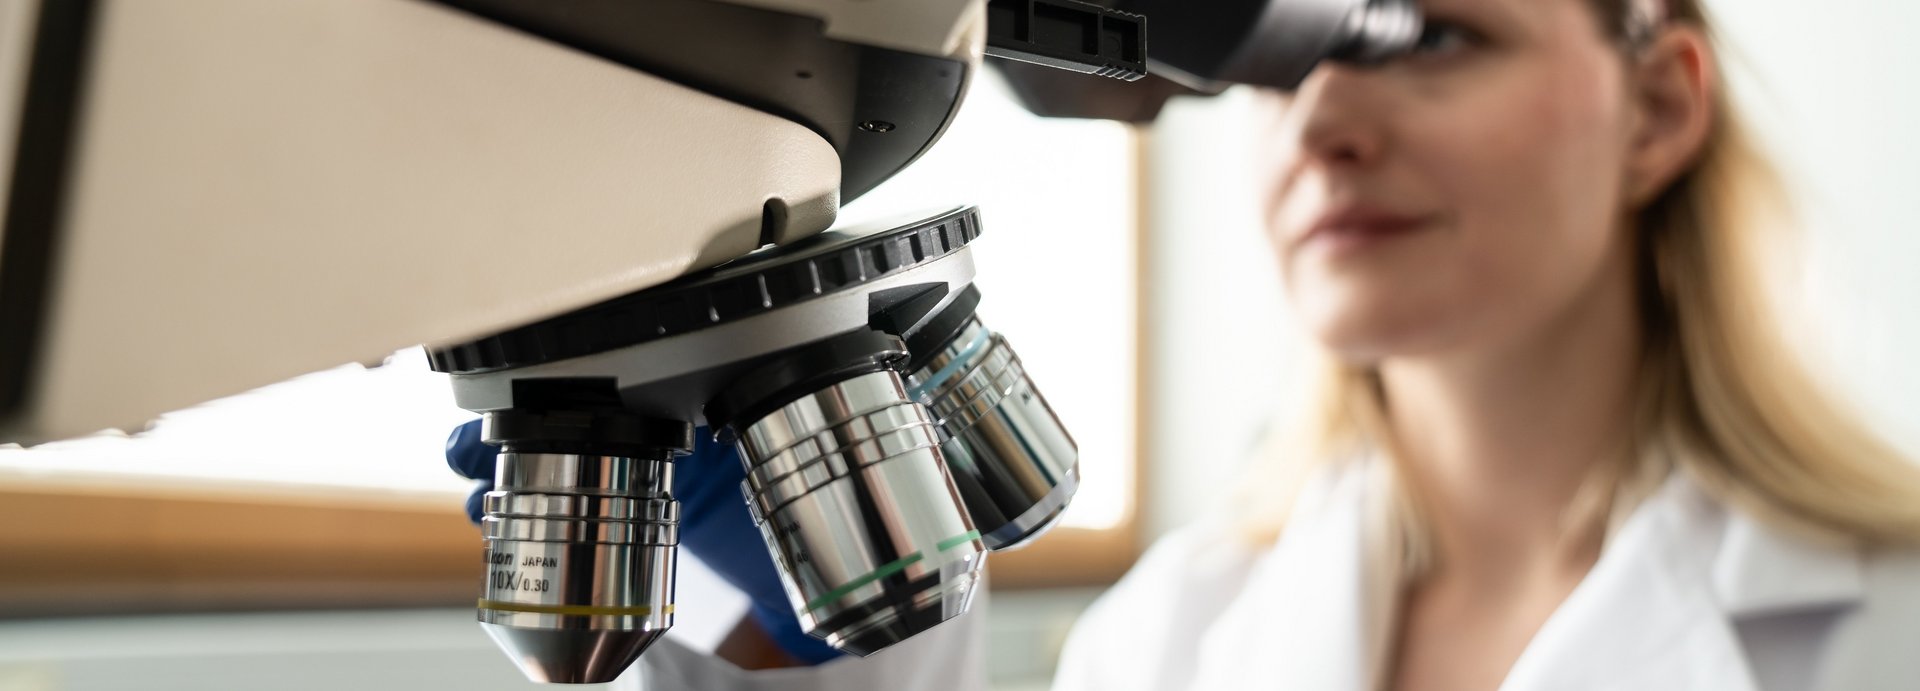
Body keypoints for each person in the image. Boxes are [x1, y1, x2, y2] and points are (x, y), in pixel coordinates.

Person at [448, 0, 1920, 687]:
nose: (1327, 120)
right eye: (1295, 61)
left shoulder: (1888, 629)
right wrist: (783, 653)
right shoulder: (1173, 640)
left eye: (1434, 38)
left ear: (1658, 104)